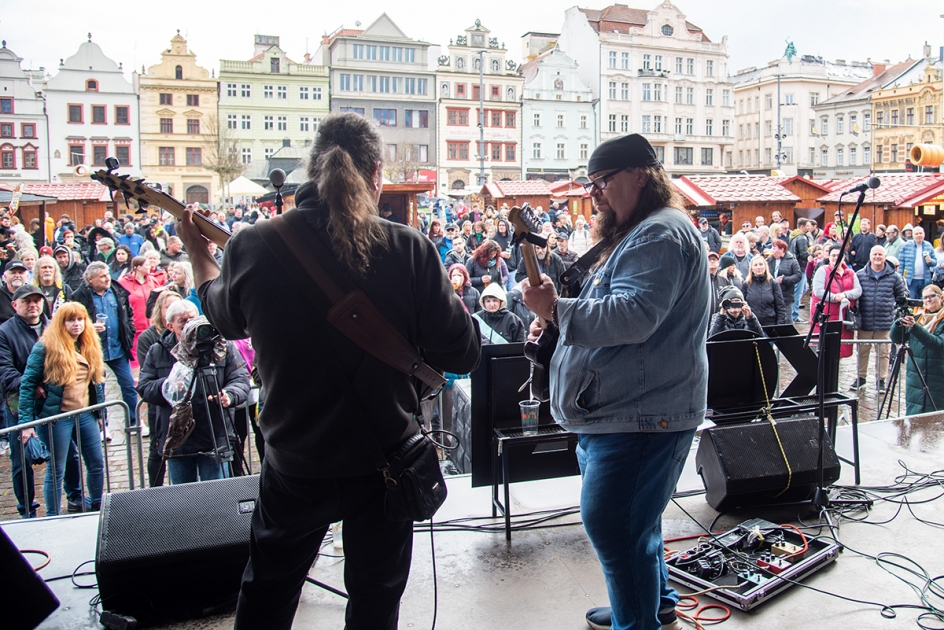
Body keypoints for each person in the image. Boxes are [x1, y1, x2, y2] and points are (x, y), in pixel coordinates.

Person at [177, 112, 480, 629]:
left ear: (312, 168)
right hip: (386, 459)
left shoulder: (253, 244)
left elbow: (223, 317)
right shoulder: (409, 248)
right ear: (376, 174)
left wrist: (196, 252)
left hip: (296, 460)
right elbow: (462, 354)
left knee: (268, 593)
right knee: (375, 602)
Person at [521, 134, 706, 630]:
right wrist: (559, 314)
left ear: (639, 176)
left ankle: (636, 620)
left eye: (602, 181)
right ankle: (652, 605)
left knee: (615, 526)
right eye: (590, 184)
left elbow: (634, 314)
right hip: (624, 411)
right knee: (635, 523)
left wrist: (557, 310)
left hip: (642, 416)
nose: (594, 193)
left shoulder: (658, 233)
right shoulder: (643, 230)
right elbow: (620, 305)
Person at [137, 300, 250, 484]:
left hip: (214, 436)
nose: (189, 324)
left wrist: (229, 395)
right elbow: (144, 387)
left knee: (217, 493)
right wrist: (168, 386)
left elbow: (240, 378)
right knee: (184, 496)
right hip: (178, 439)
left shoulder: (221, 346)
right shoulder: (158, 350)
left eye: (193, 318)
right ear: (170, 326)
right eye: (182, 321)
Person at [17, 302, 105, 515]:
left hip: (85, 413)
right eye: (71, 320)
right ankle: (52, 517)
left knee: (96, 462)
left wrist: (101, 414)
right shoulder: (45, 347)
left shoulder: (89, 343)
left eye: (80, 319)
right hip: (57, 417)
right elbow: (27, 385)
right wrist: (26, 424)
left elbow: (97, 382)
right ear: (61, 323)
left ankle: (98, 508)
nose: (77, 324)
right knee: (57, 469)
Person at [70, 261, 138, 429]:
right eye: (102, 276)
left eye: (107, 274)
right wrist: (88, 328)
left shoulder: (117, 291)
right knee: (97, 389)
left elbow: (128, 315)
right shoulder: (79, 296)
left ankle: (134, 421)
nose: (107, 278)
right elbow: (72, 322)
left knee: (128, 385)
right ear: (90, 279)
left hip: (117, 348)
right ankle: (102, 424)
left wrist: (129, 333)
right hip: (93, 350)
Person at [135, 289, 182, 487]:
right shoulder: (149, 338)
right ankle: (155, 489)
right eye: (168, 307)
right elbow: (147, 373)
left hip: (184, 402)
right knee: (157, 450)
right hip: (160, 402)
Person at [852, 245, 907, 392]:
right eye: (875, 254)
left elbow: (901, 296)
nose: (877, 257)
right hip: (865, 321)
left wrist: (894, 312)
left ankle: (881, 380)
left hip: (885, 322)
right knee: (862, 351)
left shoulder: (894, 277)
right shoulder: (860, 275)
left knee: (883, 353)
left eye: (880, 254)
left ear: (885, 257)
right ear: (870, 256)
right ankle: (861, 377)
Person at [890, 284, 944, 415]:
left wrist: (915, 328)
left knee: (935, 418)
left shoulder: (939, 321)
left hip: (938, 377)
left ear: (941, 298)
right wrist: (899, 323)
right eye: (925, 297)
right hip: (916, 377)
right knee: (915, 417)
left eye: (932, 296)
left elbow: (937, 344)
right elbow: (896, 338)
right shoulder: (918, 317)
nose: (928, 300)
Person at [811, 245, 862, 359]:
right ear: (828, 256)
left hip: (844, 319)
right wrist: (836, 297)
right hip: (826, 317)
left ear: (843, 257)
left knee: (839, 353)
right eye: (833, 255)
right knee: (824, 353)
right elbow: (818, 291)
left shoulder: (850, 273)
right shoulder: (822, 271)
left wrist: (845, 295)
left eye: (839, 255)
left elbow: (858, 290)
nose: (835, 258)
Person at [743, 254, 788, 326]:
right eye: (755, 265)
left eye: (761, 264)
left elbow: (780, 307)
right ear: (751, 268)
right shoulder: (746, 284)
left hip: (770, 324)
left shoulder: (773, 284)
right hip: (751, 325)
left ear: (765, 267)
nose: (758, 267)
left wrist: (780, 325)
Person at [767, 240, 802, 320]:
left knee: (787, 319)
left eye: (774, 248)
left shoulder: (792, 260)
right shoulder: (769, 260)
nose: (772, 250)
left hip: (785, 295)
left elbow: (798, 275)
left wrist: (784, 280)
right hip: (771, 294)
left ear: (782, 249)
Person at [900, 226, 936, 299]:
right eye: (916, 234)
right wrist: (900, 278)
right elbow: (901, 263)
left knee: (924, 301)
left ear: (924, 234)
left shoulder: (928, 245)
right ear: (913, 235)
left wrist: (930, 261)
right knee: (911, 301)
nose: (919, 235)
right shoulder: (906, 245)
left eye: (920, 233)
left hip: (925, 280)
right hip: (910, 281)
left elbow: (935, 262)